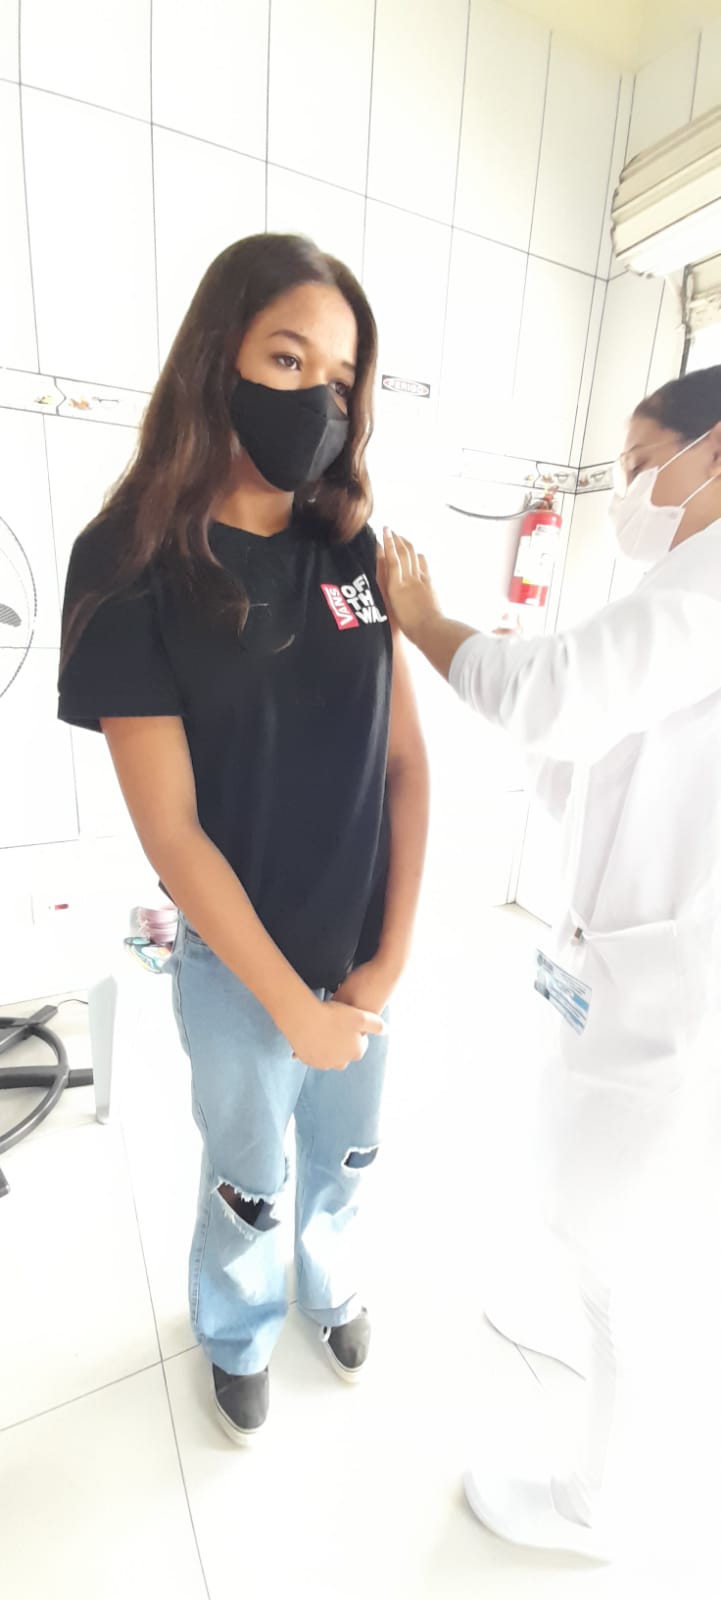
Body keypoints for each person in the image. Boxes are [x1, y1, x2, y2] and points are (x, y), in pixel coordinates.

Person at [58, 234, 429, 1442]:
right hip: (235, 964)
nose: (318, 398)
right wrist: (291, 1007)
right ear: (218, 356)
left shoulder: (351, 550)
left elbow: (406, 763)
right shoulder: (127, 565)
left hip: (361, 954)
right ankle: (236, 1325)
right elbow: (172, 833)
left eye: (342, 377)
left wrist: (386, 959)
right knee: (248, 1172)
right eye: (287, 358)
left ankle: (332, 1283)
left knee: (349, 1152)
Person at [381, 365, 721, 1557]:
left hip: (679, 1002)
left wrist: (427, 620)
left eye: (639, 466)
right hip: (635, 964)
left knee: (630, 1253)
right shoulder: (685, 585)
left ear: (713, 454)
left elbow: (558, 698)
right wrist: (535, 703)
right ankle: (575, 1316)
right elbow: (596, 752)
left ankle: (598, 1509)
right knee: (592, 1199)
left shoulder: (709, 584)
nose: (625, 492)